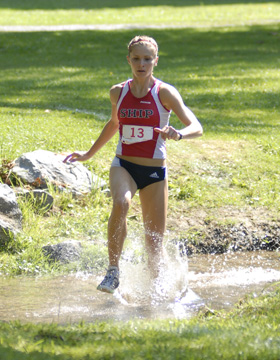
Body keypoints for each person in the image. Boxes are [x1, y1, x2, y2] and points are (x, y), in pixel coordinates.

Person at [64, 35, 203, 294]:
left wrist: (179, 134)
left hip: (154, 171)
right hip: (124, 165)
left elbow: (197, 126)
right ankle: (113, 271)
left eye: (147, 59)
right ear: (128, 60)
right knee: (121, 202)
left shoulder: (165, 92)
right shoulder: (118, 92)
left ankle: (158, 293)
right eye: (136, 59)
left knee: (154, 243)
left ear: (156, 61)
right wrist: (89, 153)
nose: (142, 64)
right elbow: (114, 124)